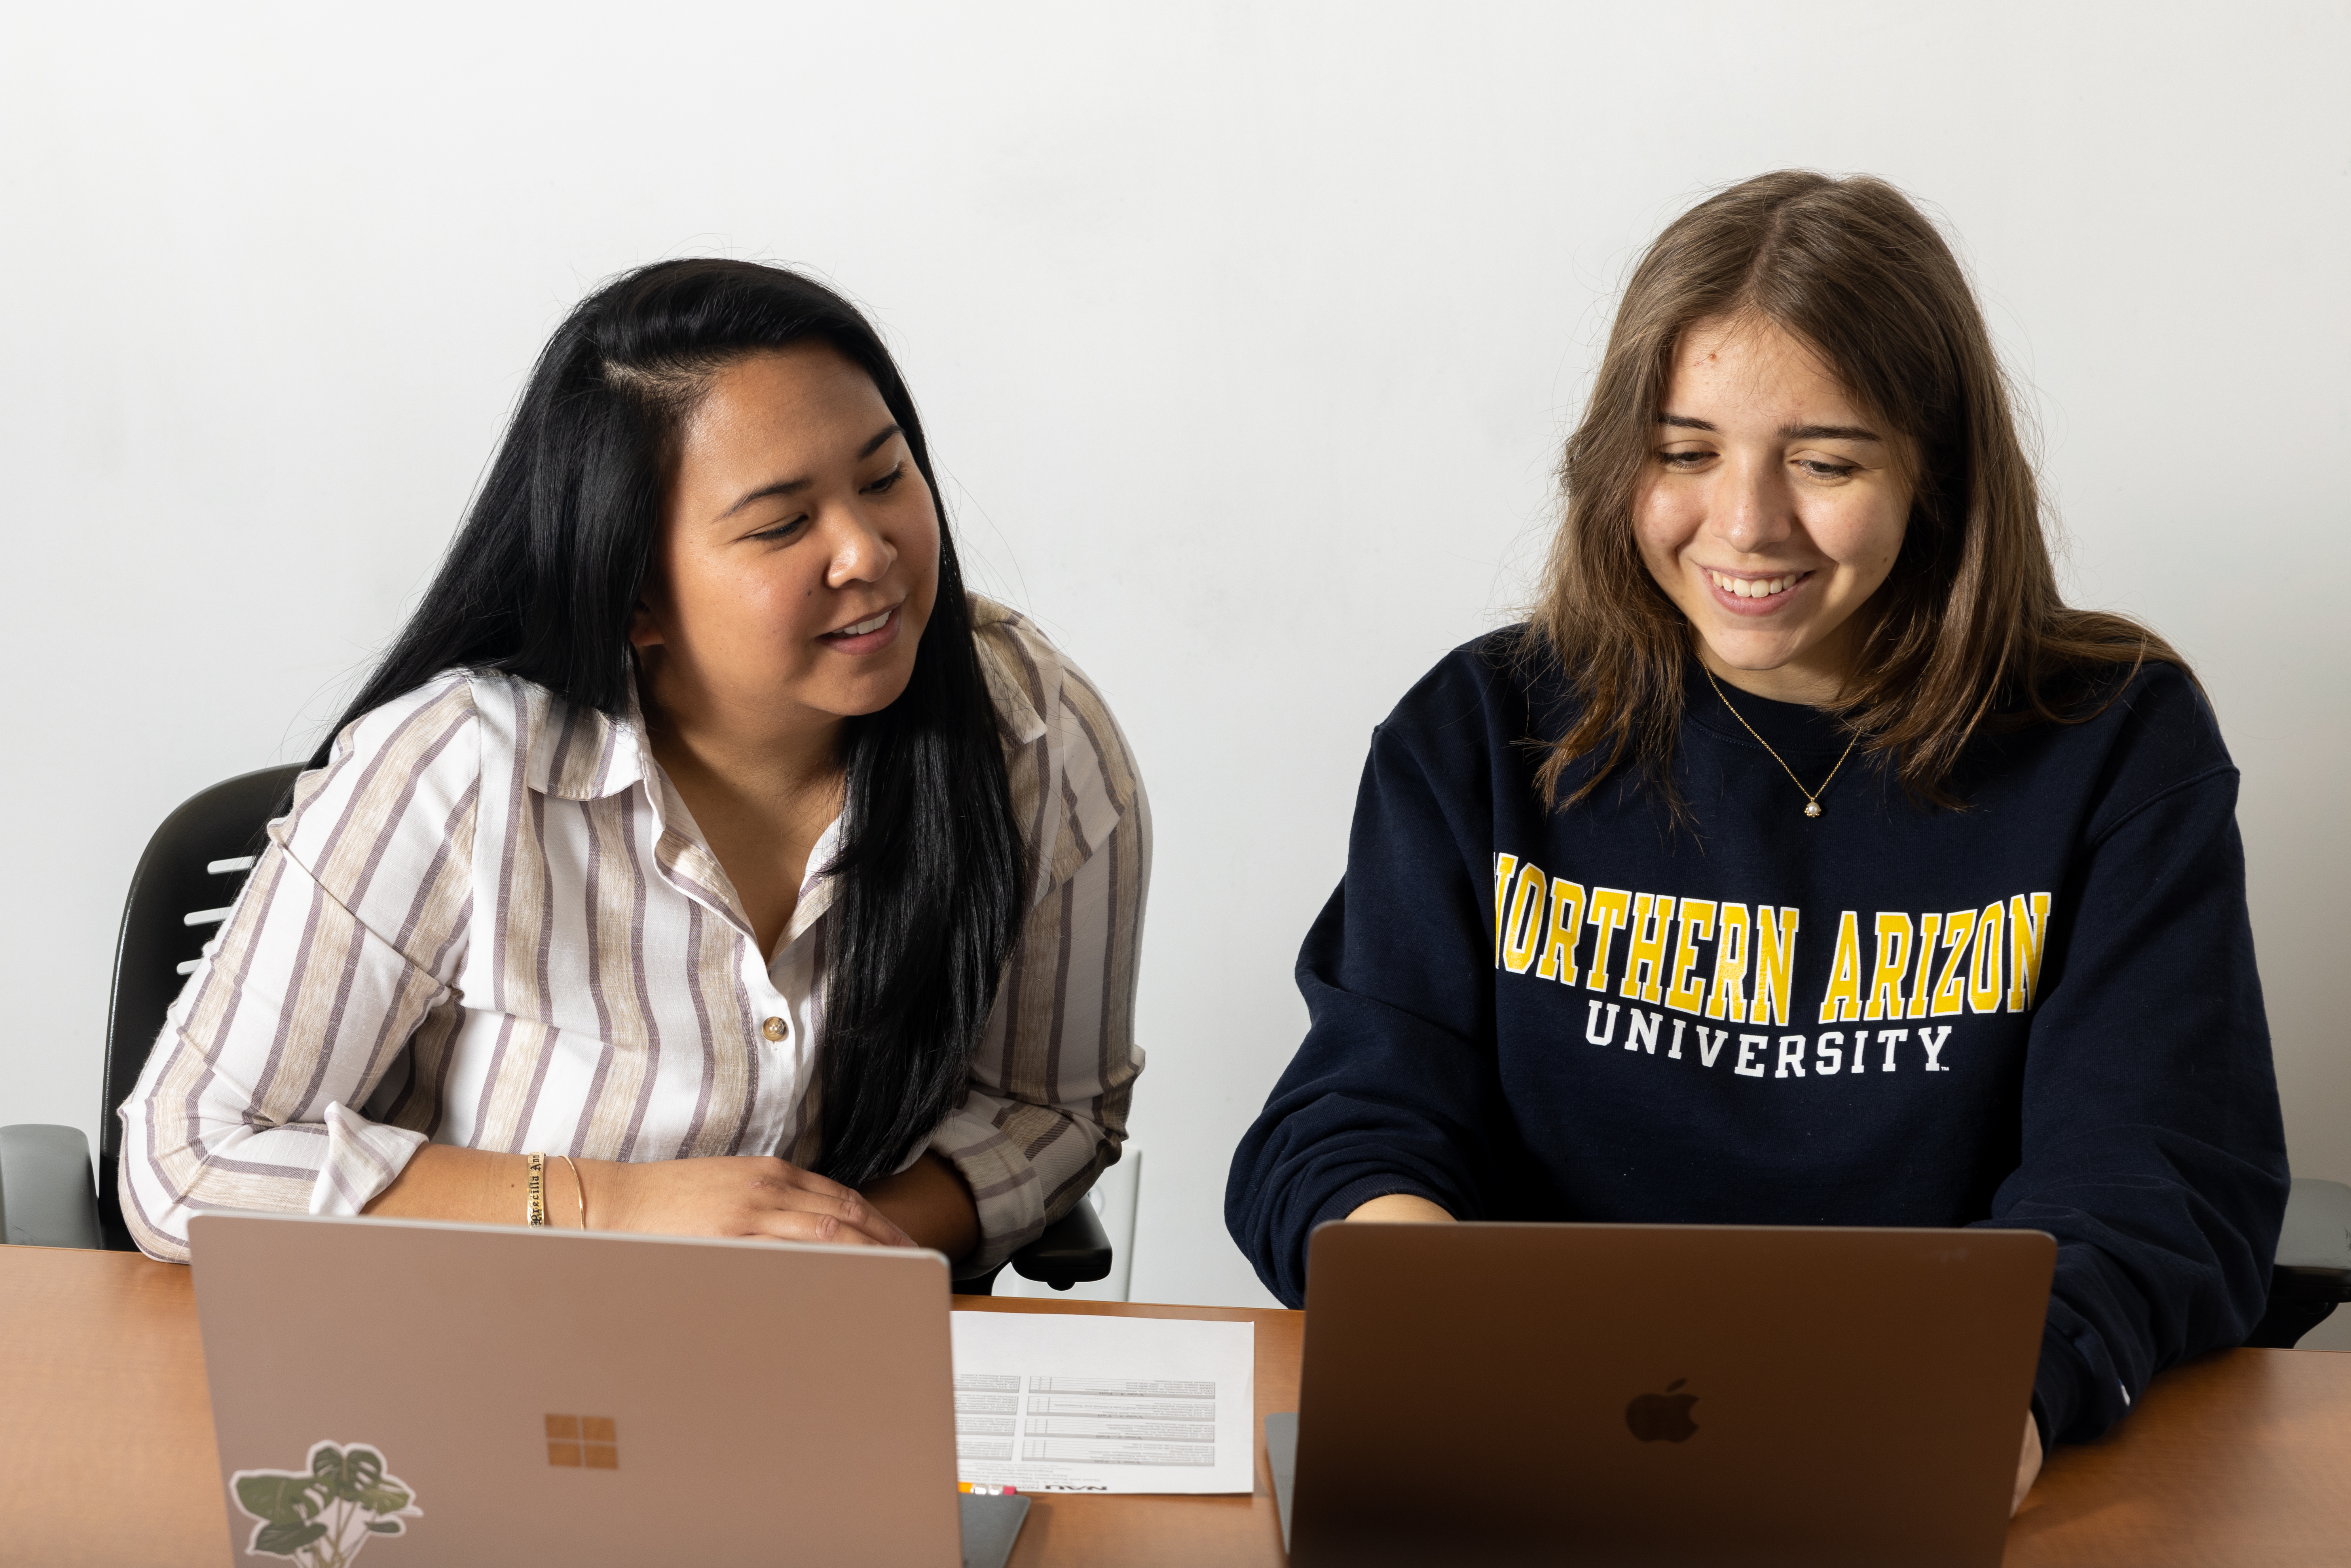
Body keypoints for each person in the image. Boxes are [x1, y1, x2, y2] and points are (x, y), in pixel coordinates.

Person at [1224, 171, 2286, 1508]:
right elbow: (1347, 1118)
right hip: (1525, 1448)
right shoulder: (1476, 731)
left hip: (1926, 1439)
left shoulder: (2118, 745)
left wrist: (1996, 1404)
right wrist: (1439, 1320)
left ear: (1938, 472)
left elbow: (2156, 1178)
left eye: (1826, 462)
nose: (1745, 524)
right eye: (1684, 452)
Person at [123, 259, 1147, 1278]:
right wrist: (613, 1207)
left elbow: (1047, 1109)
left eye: (884, 477)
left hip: (812, 1371)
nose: (867, 551)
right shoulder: (458, 772)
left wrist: (853, 1246)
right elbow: (184, 1159)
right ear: (635, 597)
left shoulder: (1036, 740)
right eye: (784, 524)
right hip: (462, 1362)